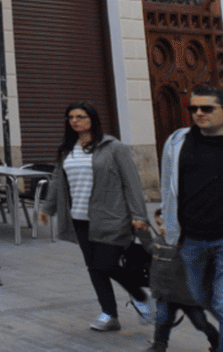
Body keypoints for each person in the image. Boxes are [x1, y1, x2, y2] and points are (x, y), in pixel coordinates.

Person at [40, 100, 153, 333]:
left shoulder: (113, 147)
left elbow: (131, 183)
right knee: (94, 267)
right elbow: (58, 181)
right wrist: (47, 208)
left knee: (107, 263)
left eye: (81, 116)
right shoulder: (67, 149)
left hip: (112, 217)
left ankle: (142, 298)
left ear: (93, 119)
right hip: (80, 218)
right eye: (71, 117)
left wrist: (140, 215)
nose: (75, 121)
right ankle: (109, 315)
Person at [160, 83, 223, 352]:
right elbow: (167, 188)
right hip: (190, 241)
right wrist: (171, 229)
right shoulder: (176, 141)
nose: (198, 113)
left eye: (206, 108)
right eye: (193, 108)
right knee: (200, 297)